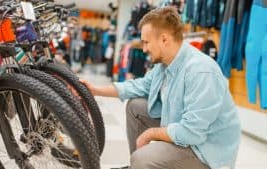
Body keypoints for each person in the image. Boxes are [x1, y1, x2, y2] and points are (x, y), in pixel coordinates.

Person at [81, 7, 241, 169]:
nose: (144, 49)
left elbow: (192, 133)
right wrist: (95, 90)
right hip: (186, 132)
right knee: (136, 106)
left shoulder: (201, 71)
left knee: (143, 159)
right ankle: (138, 164)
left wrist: (151, 133)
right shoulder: (164, 64)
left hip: (206, 152)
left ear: (164, 39)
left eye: (146, 42)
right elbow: (138, 86)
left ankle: (142, 162)